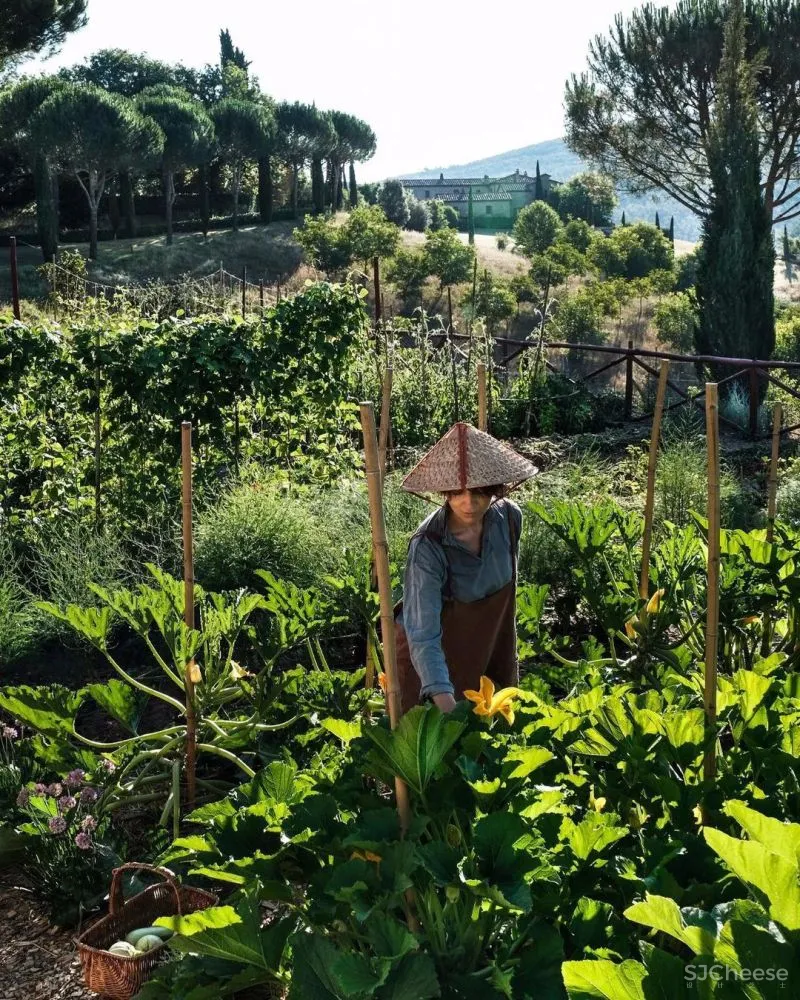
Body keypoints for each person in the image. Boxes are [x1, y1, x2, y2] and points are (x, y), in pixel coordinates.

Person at [394, 422, 538, 714]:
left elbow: (504, 606)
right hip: (429, 665)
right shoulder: (428, 546)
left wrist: (507, 664)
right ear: (444, 492)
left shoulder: (510, 520)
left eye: (479, 492)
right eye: (457, 493)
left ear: (495, 490)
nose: (468, 503)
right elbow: (422, 634)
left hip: (486, 650)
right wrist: (446, 704)